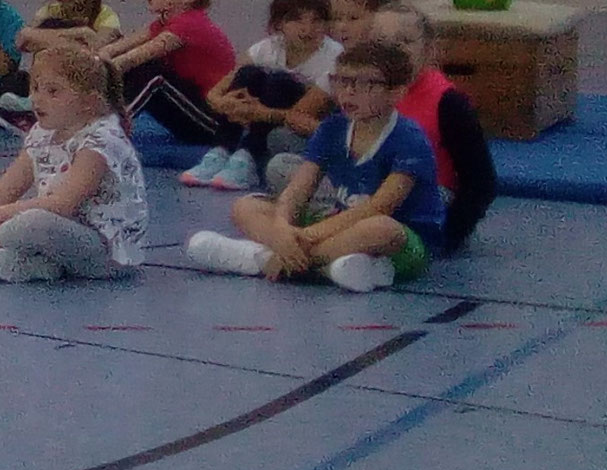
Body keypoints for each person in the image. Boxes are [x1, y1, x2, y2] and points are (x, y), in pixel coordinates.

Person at [189, 38, 446, 291]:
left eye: (365, 84)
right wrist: (282, 229)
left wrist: (306, 237)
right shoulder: (333, 128)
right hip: (340, 224)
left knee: (380, 228)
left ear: (397, 92)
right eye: (342, 81)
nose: (349, 92)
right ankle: (331, 266)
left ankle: (262, 258)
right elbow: (297, 190)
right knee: (246, 207)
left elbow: (379, 207)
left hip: (400, 238)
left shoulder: (409, 138)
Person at [0, 37, 143, 282]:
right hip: (57, 230)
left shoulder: (100, 142)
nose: (37, 99)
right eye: (35, 88)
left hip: (102, 252)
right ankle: (39, 265)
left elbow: (63, 204)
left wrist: (1, 214)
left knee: (33, 222)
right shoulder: (42, 132)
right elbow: (7, 187)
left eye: (52, 91)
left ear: (88, 103)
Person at [185, 0, 341, 191]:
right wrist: (227, 104)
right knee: (250, 73)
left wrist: (257, 112)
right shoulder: (268, 48)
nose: (307, 29)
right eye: (297, 20)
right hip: (261, 114)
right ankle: (221, 150)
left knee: (280, 81)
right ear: (279, 23)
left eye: (316, 21)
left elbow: (299, 115)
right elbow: (217, 92)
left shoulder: (333, 57)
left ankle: (249, 155)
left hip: (300, 127)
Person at [368, 5, 498, 253]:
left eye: (404, 42)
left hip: (424, 202)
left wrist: (450, 234)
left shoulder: (449, 103)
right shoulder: (360, 92)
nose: (392, 50)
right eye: (381, 42)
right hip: (367, 195)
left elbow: (482, 182)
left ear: (428, 50)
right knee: (283, 167)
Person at [100, 0, 235, 150]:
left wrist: (99, 66)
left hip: (214, 122)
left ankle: (106, 128)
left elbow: (134, 57)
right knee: (140, 70)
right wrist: (97, 55)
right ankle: (95, 118)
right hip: (192, 107)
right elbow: (121, 47)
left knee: (154, 77)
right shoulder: (165, 23)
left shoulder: (191, 24)